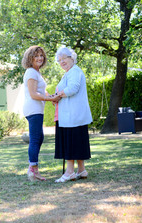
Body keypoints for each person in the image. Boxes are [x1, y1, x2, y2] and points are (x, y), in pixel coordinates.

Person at [53, 46, 92, 183]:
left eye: (64, 58)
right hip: (72, 115)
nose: (62, 61)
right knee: (77, 142)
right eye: (59, 60)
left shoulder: (75, 71)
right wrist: (56, 96)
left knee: (71, 143)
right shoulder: (69, 72)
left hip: (73, 115)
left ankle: (69, 172)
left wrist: (57, 96)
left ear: (72, 58)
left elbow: (72, 89)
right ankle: (81, 170)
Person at [22, 46, 61, 181]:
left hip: (36, 108)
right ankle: (33, 171)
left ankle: (32, 168)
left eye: (41, 56)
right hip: (33, 108)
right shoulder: (31, 72)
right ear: (30, 58)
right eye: (36, 56)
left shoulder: (36, 73)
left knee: (39, 137)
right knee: (35, 139)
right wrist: (51, 98)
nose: (39, 58)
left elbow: (41, 91)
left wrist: (50, 97)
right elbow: (33, 94)